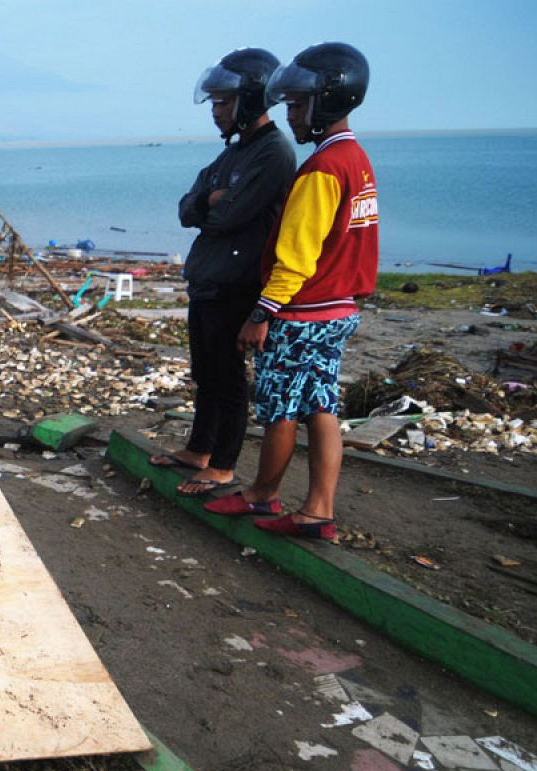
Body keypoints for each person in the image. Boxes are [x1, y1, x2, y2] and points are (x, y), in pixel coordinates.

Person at [205, 42, 377, 542]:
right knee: (321, 406)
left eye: (299, 105)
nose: (292, 115)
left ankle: (262, 493)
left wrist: (260, 314)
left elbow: (295, 257)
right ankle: (319, 509)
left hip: (304, 312)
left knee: (280, 406)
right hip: (341, 307)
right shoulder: (355, 159)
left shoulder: (321, 171)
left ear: (326, 101)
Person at [152, 48, 296, 497]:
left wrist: (210, 203)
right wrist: (207, 201)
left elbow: (225, 217)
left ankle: (224, 464)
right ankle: (200, 449)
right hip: (209, 279)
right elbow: (186, 207)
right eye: (213, 103)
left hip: (239, 282)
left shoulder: (272, 153)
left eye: (223, 103)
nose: (216, 112)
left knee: (230, 375)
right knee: (206, 371)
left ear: (249, 100)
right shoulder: (234, 153)